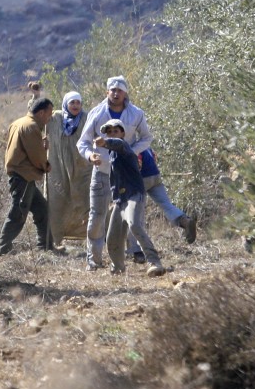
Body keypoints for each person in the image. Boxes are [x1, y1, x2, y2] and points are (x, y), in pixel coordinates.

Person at [77, 75, 152, 271]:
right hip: (101, 171)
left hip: (127, 174)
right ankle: (93, 260)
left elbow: (146, 138)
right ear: (107, 92)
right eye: (113, 90)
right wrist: (89, 155)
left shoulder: (136, 114)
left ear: (126, 93)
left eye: (120, 90)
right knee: (97, 215)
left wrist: (129, 152)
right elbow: (83, 142)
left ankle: (135, 252)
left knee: (131, 215)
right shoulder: (96, 113)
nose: (116, 93)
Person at [93, 119, 166, 276]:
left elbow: (117, 144)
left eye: (116, 131)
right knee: (112, 238)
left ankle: (154, 262)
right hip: (120, 200)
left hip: (134, 194)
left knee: (134, 225)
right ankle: (118, 267)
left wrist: (105, 141)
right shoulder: (112, 155)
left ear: (123, 133)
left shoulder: (125, 148)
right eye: (109, 132)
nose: (113, 134)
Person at [0, 97, 57, 256]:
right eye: (49, 114)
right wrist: (46, 165)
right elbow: (36, 156)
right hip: (23, 176)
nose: (49, 118)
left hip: (23, 176)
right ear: (41, 112)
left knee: (42, 209)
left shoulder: (18, 123)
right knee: (18, 213)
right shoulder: (31, 127)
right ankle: (2, 251)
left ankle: (46, 247)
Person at [126, 148, 197, 263]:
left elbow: (137, 164)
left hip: (141, 179)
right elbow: (154, 156)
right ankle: (184, 220)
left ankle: (136, 251)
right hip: (155, 176)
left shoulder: (132, 144)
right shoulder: (146, 145)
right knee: (166, 204)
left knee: (136, 215)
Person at [45, 91, 92, 249]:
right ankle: (55, 241)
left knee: (88, 202)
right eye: (72, 103)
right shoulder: (56, 118)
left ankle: (94, 240)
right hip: (58, 169)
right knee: (56, 203)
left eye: (78, 103)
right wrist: (35, 97)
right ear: (66, 103)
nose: (75, 106)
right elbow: (37, 114)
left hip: (82, 169)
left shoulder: (86, 118)